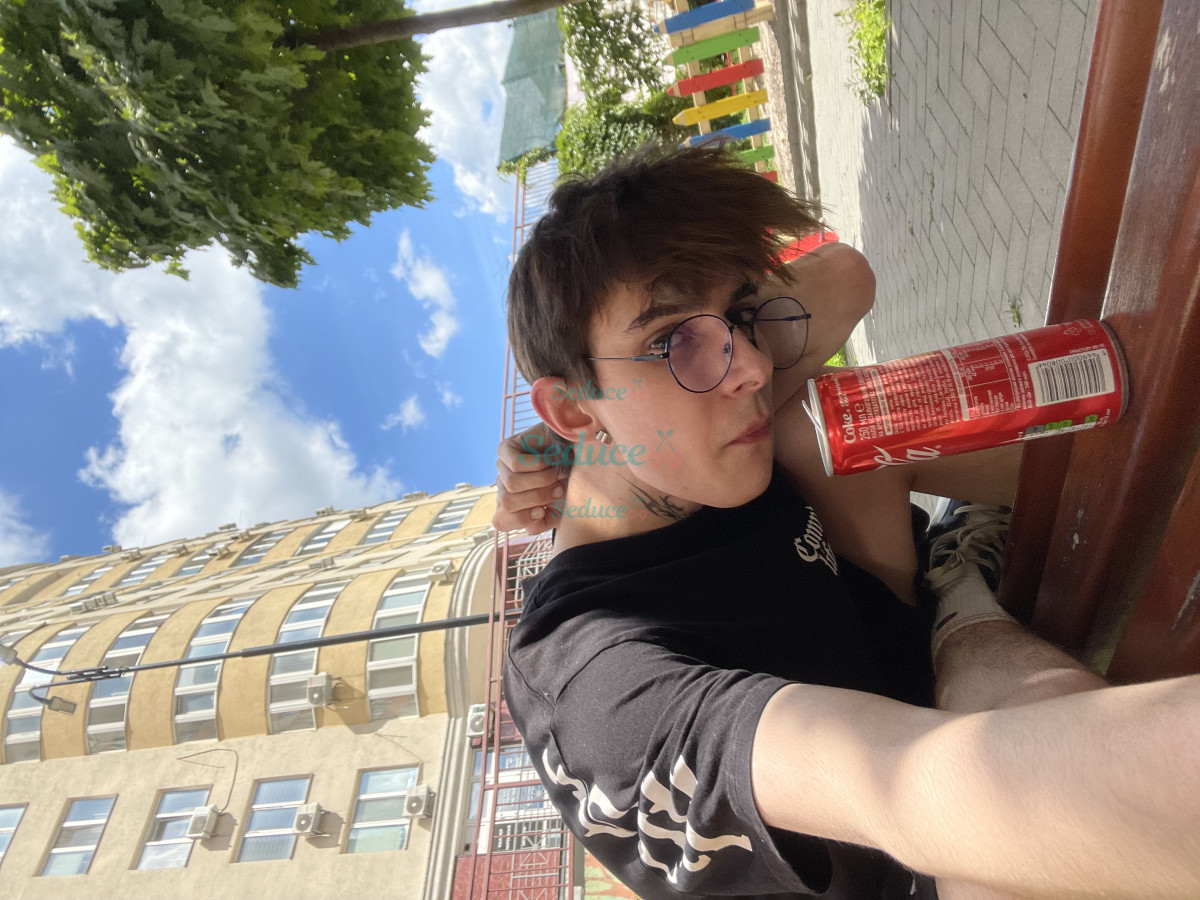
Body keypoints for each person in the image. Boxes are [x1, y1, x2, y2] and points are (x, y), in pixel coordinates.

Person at [495, 145, 1200, 900]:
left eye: (740, 315)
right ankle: (972, 590)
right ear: (569, 406)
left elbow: (846, 277)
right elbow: (901, 787)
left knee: (814, 421)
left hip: (917, 640)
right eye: (672, 341)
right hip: (928, 854)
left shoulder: (696, 458)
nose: (753, 366)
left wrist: (604, 425)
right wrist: (604, 417)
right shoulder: (598, 684)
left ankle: (1072, 512)